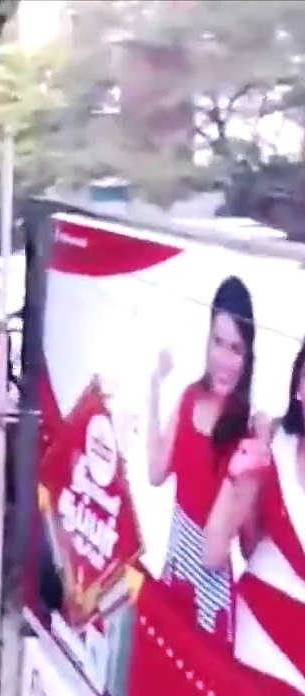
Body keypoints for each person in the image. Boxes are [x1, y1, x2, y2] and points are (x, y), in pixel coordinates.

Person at [145, 275, 257, 647]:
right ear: (207, 339)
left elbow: (219, 550)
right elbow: (156, 473)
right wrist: (154, 392)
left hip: (209, 588)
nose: (224, 359)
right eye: (218, 342)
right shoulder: (189, 396)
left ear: (248, 356)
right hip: (174, 565)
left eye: (236, 348)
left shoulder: (246, 430)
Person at [204, 336, 305, 696]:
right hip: (252, 637)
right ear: (299, 386)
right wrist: (239, 477)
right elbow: (216, 552)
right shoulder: (271, 443)